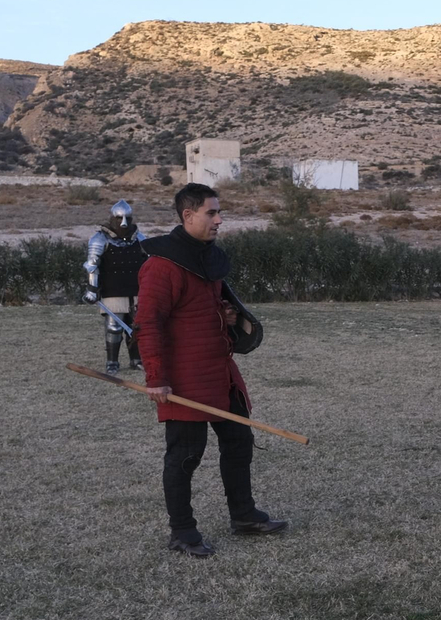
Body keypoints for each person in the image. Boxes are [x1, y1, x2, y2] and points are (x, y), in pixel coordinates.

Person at [133, 183, 287, 558]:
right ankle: (183, 532)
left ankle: (244, 515)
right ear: (188, 216)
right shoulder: (160, 266)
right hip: (184, 378)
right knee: (185, 456)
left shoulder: (208, 258)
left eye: (220, 212)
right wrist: (156, 378)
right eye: (212, 213)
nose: (220, 220)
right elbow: (148, 324)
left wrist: (227, 315)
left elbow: (202, 310)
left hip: (220, 372)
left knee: (238, 443)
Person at [82, 199, 147, 374]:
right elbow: (92, 265)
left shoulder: (139, 238)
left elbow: (149, 265)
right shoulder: (99, 239)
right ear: (113, 219)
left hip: (136, 291)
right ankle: (112, 362)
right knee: (113, 327)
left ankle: (136, 359)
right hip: (112, 290)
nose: (124, 223)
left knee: (137, 327)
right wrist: (92, 289)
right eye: (119, 218)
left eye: (127, 218)